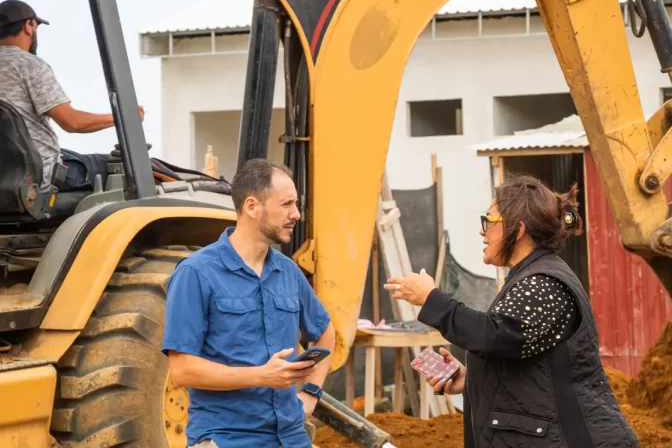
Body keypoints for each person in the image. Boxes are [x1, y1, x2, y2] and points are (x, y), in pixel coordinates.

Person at [385, 174, 639, 448]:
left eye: (489, 220)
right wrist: (473, 379)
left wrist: (431, 299)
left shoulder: (544, 283)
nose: (482, 231)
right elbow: (525, 362)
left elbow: (494, 335)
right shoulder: (533, 277)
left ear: (517, 230)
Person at [161, 159, 336, 448]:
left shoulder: (288, 272)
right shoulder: (196, 273)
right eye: (286, 204)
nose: (296, 214)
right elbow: (182, 370)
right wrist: (262, 376)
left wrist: (311, 393)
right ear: (252, 207)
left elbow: (326, 333)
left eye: (295, 204)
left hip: (291, 438)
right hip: (227, 438)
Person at [0, 0, 144, 191]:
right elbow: (72, 123)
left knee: (73, 157)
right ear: (29, 26)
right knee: (120, 168)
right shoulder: (31, 65)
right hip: (39, 175)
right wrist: (125, 116)